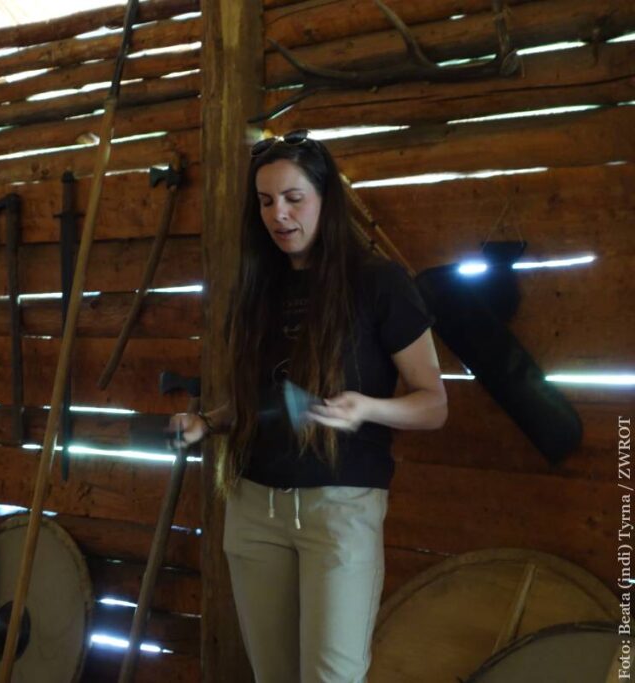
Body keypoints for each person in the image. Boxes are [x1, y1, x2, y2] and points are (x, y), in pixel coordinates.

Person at [171, 130, 447, 682]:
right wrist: (206, 422)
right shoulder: (258, 286)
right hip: (253, 510)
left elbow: (433, 404)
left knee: (331, 677)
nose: (280, 214)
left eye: (294, 198)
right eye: (266, 201)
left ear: (325, 197)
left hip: (338, 511)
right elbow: (258, 403)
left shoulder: (378, 282)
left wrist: (366, 407)